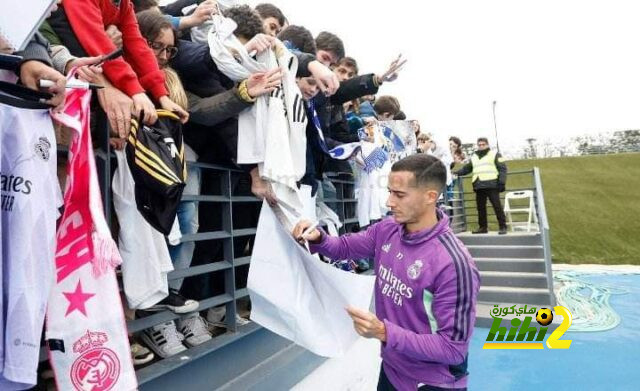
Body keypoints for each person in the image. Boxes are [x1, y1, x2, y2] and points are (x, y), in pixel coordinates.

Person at [293, 154, 480, 391]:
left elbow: (453, 350)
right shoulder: (388, 228)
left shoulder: (453, 264)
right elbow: (344, 247)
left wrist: (384, 332)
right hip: (393, 369)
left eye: (399, 195)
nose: (389, 202)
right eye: (390, 191)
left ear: (430, 197)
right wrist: (318, 237)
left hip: (433, 382)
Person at [454, 137, 507, 235]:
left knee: (497, 206)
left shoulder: (495, 154)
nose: (481, 146)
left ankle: (503, 226)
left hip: (492, 184)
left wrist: (501, 182)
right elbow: (467, 169)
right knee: (480, 208)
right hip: (479, 185)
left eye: (483, 144)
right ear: (477, 146)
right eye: (479, 145)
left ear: (487, 145)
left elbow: (502, 169)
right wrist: (456, 173)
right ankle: (483, 227)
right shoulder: (474, 156)